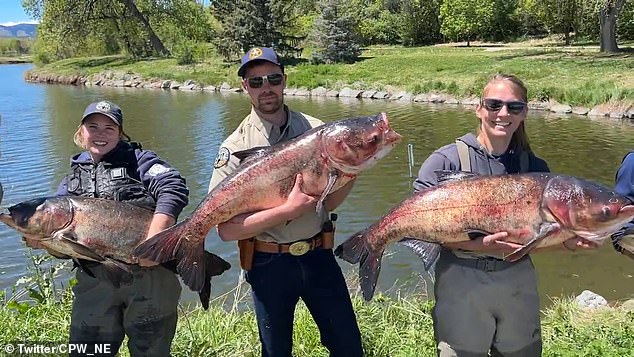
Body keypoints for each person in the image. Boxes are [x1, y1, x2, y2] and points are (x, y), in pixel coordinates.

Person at [413, 74, 594, 356]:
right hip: (461, 281)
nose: (503, 113)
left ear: (525, 113)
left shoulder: (534, 168)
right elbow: (419, 228)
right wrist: (478, 246)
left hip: (517, 279)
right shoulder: (445, 161)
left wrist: (567, 243)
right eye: (494, 104)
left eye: (514, 107)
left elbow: (535, 239)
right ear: (479, 108)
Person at [208, 47, 363, 357]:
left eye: (273, 78)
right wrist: (287, 211)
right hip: (268, 264)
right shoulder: (235, 148)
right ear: (245, 88)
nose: (266, 87)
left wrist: (351, 168)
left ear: (284, 80)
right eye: (256, 82)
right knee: (276, 351)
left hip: (319, 256)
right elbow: (226, 231)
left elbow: (329, 203)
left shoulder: (316, 130)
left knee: (348, 346)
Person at [24, 100, 189, 356]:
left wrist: (155, 240)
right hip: (94, 284)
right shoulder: (69, 183)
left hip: (151, 278)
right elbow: (63, 247)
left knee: (151, 351)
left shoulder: (141, 161)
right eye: (93, 127)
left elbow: (173, 187)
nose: (100, 134)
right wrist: (46, 243)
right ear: (81, 132)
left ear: (120, 133)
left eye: (109, 128)